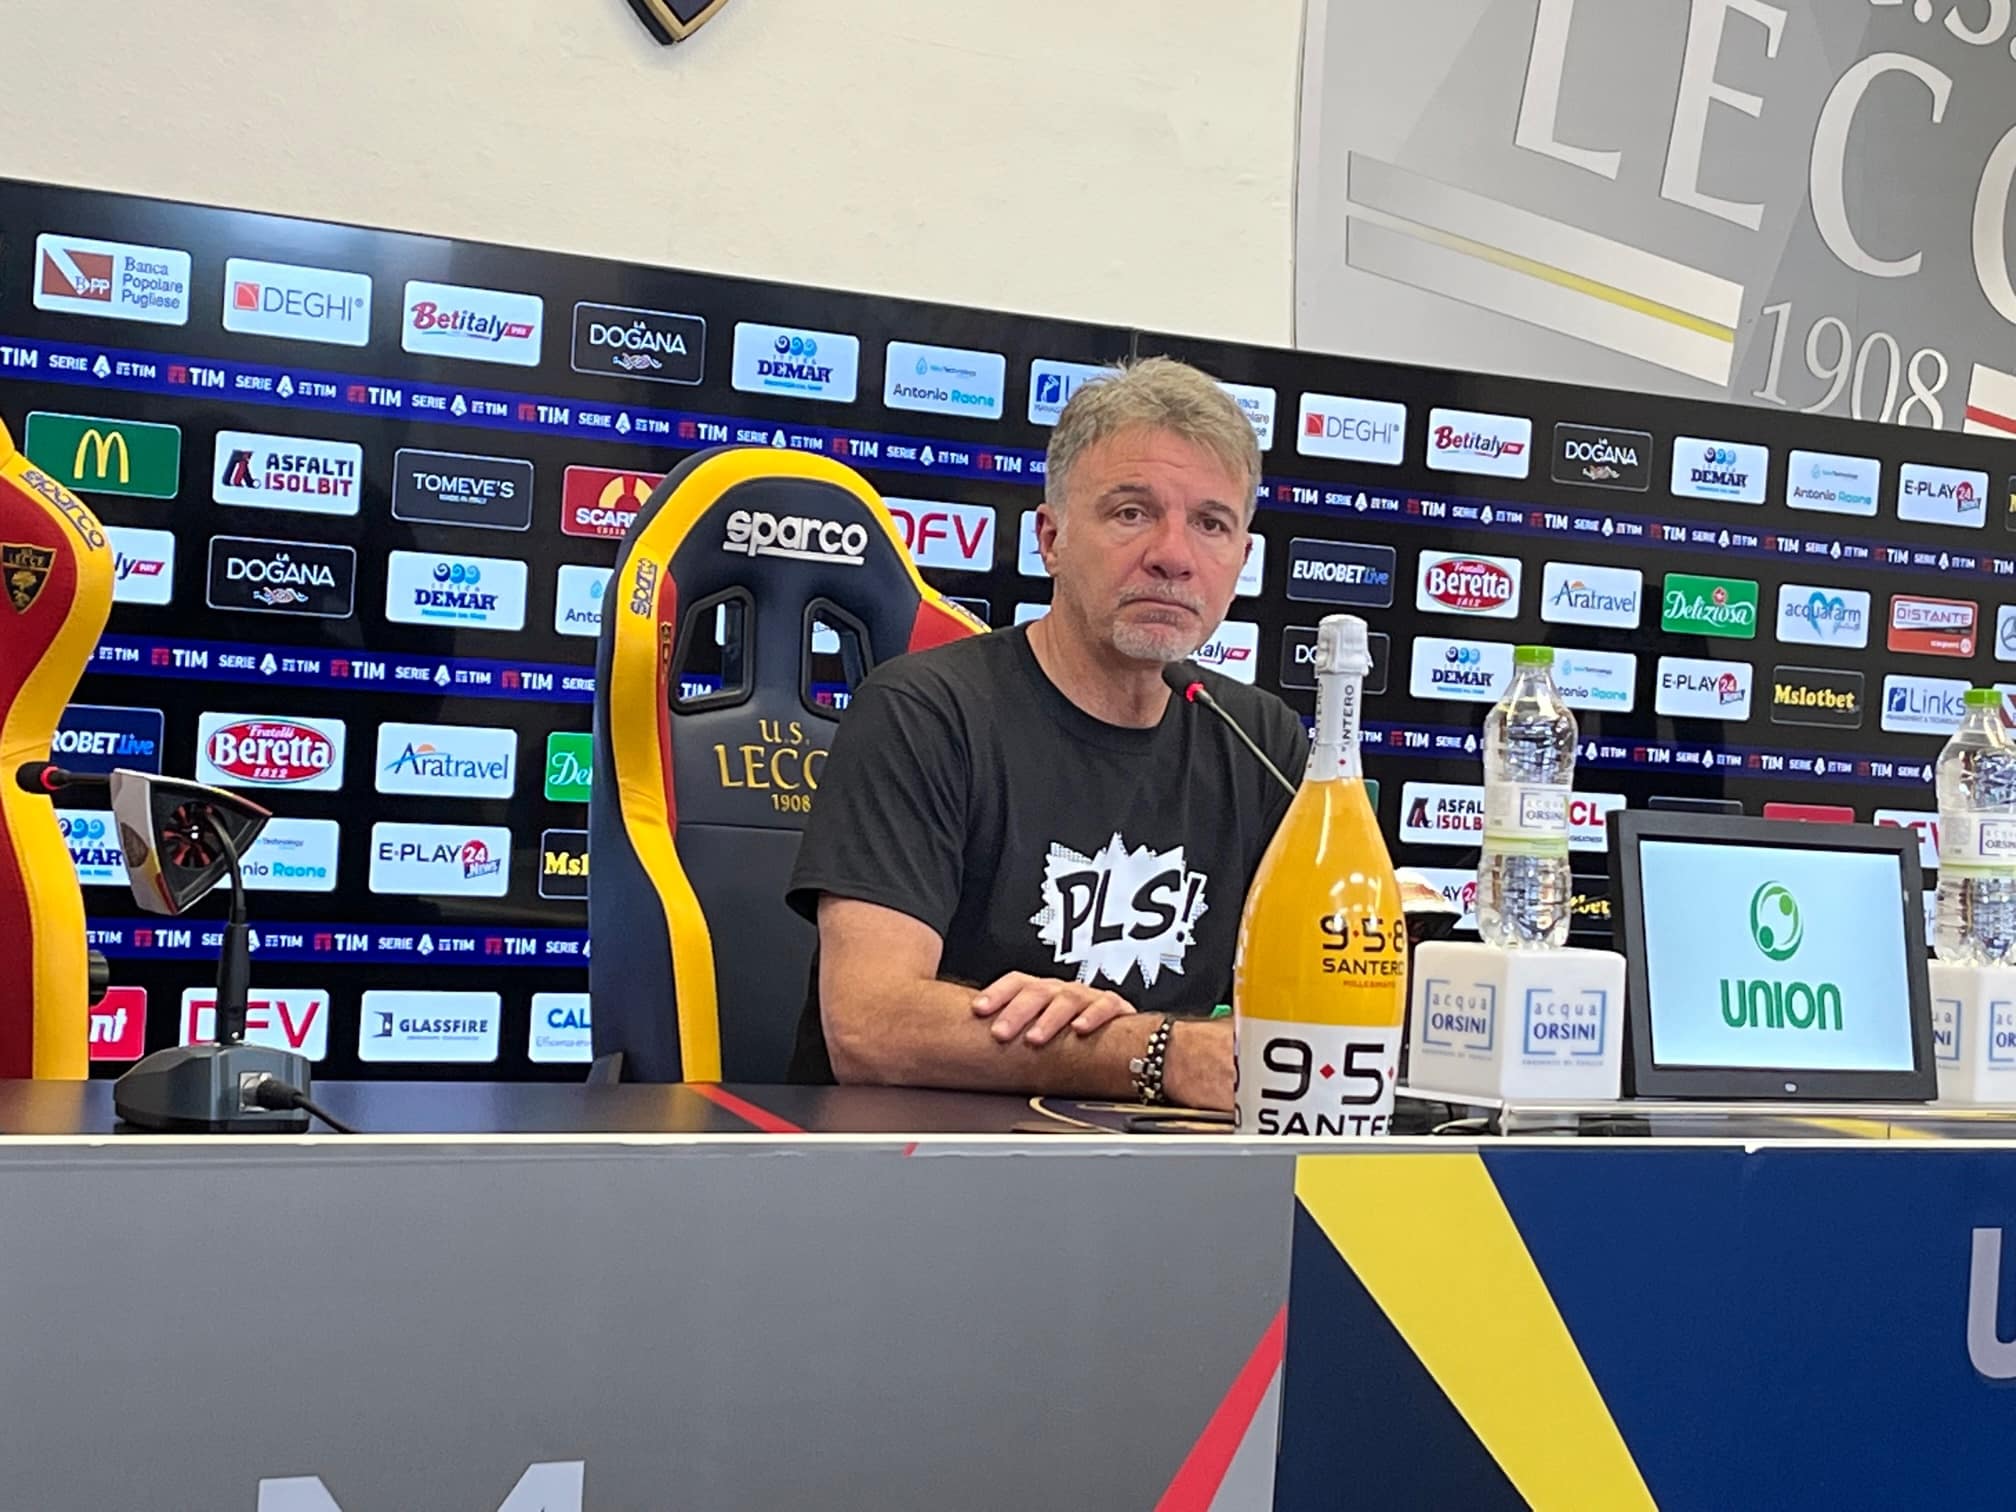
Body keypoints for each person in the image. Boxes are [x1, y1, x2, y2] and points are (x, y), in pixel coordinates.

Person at [784, 356, 1308, 1109]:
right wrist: (1148, 1052)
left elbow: (1313, 1009)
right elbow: (869, 1026)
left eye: (1211, 524)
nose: (1173, 556)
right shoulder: (924, 712)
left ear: (1242, 560)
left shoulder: (1261, 741)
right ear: (1051, 539)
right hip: (918, 1160)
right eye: (1131, 513)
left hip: (1170, 1165)